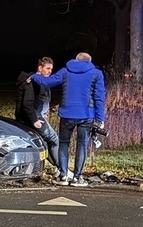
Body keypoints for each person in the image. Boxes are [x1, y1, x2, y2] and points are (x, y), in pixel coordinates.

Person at [29, 52, 106, 187]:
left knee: (63, 144)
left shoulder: (65, 71)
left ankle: (63, 176)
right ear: (89, 61)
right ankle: (77, 178)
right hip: (86, 115)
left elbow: (47, 82)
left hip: (67, 114)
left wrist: (33, 76)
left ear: (76, 60)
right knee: (82, 145)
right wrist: (100, 119)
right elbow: (99, 98)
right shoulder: (96, 74)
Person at [15, 56, 61, 172]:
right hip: (33, 118)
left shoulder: (42, 81)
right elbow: (27, 103)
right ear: (40, 68)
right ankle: (63, 169)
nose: (50, 71)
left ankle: (58, 168)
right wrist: (34, 120)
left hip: (39, 117)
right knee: (54, 139)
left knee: (45, 142)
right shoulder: (32, 82)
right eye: (47, 68)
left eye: (51, 69)